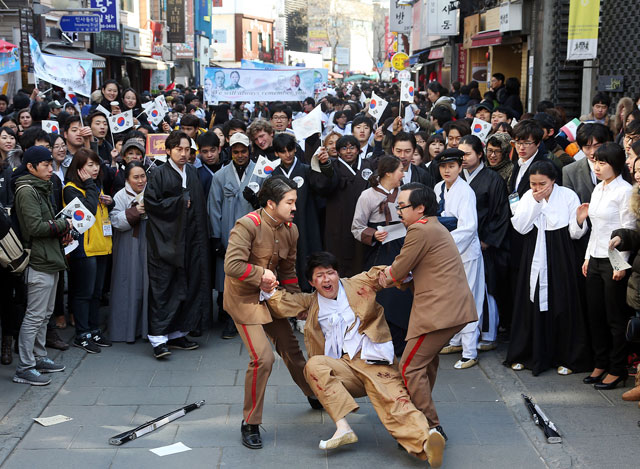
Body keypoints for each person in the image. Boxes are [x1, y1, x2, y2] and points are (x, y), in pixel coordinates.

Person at [262, 253, 446, 467]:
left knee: (395, 401)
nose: (327, 279)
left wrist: (407, 270)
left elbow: (382, 274)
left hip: (374, 359)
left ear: (338, 273)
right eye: (320, 276)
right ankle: (343, 428)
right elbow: (284, 302)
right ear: (312, 283)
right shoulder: (311, 303)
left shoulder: (357, 284)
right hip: (344, 367)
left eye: (330, 273)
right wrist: (265, 285)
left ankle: (426, 444)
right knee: (314, 366)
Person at [378, 182, 477, 452]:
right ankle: (419, 420)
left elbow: (398, 269)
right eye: (397, 206)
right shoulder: (433, 226)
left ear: (420, 208)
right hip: (447, 309)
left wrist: (384, 277)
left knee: (409, 366)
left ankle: (430, 426)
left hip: (439, 311)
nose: (398, 211)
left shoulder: (420, 229)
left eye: (402, 206)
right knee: (425, 364)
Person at [223, 176, 318, 450]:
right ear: (270, 203)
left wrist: (297, 303)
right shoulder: (247, 225)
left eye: (295, 202)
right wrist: (260, 273)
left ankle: (313, 394)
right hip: (244, 300)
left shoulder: (291, 230)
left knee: (292, 349)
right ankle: (250, 422)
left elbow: (288, 271)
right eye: (290, 202)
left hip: (273, 299)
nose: (295, 207)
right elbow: (232, 265)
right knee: (263, 358)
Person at [507, 160, 591, 375]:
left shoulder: (568, 196)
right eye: (533, 184)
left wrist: (580, 220)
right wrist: (535, 203)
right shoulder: (527, 196)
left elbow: (574, 232)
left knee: (563, 302)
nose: (537, 188)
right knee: (530, 301)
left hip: (561, 253)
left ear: (553, 180)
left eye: (542, 183)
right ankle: (526, 355)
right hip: (534, 250)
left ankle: (567, 357)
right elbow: (520, 227)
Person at [144, 131, 211, 358]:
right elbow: (152, 204)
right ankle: (158, 339)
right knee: (164, 287)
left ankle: (178, 333)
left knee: (188, 285)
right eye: (179, 149)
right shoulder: (159, 174)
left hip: (191, 241)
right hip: (167, 242)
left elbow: (200, 208)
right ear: (168, 150)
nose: (183, 154)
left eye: (187, 150)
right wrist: (180, 202)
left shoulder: (192, 173)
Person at [10, 146, 71, 385]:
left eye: (50, 164)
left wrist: (60, 228)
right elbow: (34, 228)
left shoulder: (41, 187)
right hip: (37, 260)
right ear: (31, 167)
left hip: (50, 257)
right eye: (45, 165)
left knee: (45, 314)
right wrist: (62, 225)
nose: (50, 168)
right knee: (34, 316)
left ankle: (39, 356)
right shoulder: (26, 191)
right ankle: (24, 367)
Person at [579, 142, 635, 390]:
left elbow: (628, 230)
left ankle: (617, 367)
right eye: (595, 162)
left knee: (615, 318)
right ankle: (600, 363)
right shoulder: (598, 189)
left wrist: (620, 263)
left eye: (603, 162)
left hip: (615, 260)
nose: (598, 167)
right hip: (595, 259)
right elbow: (595, 228)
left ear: (616, 164)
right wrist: (588, 257)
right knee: (595, 315)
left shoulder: (625, 191)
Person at [351, 155, 413, 357]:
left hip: (401, 247)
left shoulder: (404, 193)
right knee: (380, 295)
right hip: (377, 250)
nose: (403, 174)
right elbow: (356, 227)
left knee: (402, 293)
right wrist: (373, 234)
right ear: (388, 173)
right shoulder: (367, 196)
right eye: (399, 171)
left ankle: (402, 341)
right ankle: (379, 341)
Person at [209, 132, 264, 339]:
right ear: (230, 152)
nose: (240, 155)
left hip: (254, 233)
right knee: (228, 277)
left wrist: (257, 201)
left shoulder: (260, 173)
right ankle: (229, 318)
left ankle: (251, 317)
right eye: (236, 151)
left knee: (252, 274)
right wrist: (215, 237)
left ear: (249, 151)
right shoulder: (220, 176)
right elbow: (213, 207)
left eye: (243, 151)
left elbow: (269, 204)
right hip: (228, 233)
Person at [433, 149, 485, 369]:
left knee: (469, 299)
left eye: (452, 166)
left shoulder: (466, 191)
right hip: (446, 253)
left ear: (460, 167)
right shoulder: (438, 188)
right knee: (452, 299)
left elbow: (469, 227)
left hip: (465, 252)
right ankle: (455, 340)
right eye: (443, 166)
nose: (447, 170)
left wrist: (446, 241)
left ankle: (470, 350)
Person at [460, 135, 510, 350]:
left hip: (484, 243)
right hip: (462, 243)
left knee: (487, 287)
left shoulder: (493, 179)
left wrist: (487, 241)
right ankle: (463, 333)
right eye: (459, 154)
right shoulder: (456, 178)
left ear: (480, 155)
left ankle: (488, 333)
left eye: (467, 154)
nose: (462, 158)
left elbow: (501, 214)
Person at [64, 148, 113, 353]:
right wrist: (91, 186)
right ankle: (81, 334)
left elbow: (100, 209)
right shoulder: (71, 188)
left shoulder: (95, 186)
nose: (95, 169)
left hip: (101, 246)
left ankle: (93, 329)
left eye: (96, 165)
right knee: (83, 293)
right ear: (79, 168)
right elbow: (88, 212)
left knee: (96, 293)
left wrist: (111, 202)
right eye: (90, 165)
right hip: (83, 248)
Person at [310, 135, 371, 277]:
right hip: (338, 221)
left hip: (363, 221)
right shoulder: (332, 166)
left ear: (359, 150)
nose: (348, 151)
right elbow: (323, 186)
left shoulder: (368, 165)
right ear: (337, 151)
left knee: (361, 259)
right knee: (339, 257)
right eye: (344, 148)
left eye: (352, 147)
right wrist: (325, 165)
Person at [270, 133, 325, 291]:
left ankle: (310, 295)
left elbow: (322, 187)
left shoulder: (307, 170)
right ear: (276, 153)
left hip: (306, 222)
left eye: (290, 150)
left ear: (296, 149)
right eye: (283, 151)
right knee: (286, 263)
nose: (287, 154)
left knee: (307, 258)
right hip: (281, 227)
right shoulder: (273, 174)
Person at [109, 161, 148, 343]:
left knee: (146, 285)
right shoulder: (120, 196)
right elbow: (115, 221)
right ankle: (126, 330)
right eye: (136, 177)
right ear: (127, 179)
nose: (140, 181)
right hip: (127, 245)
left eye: (142, 176)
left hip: (148, 244)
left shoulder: (151, 192)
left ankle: (146, 329)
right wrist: (134, 212)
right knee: (126, 283)